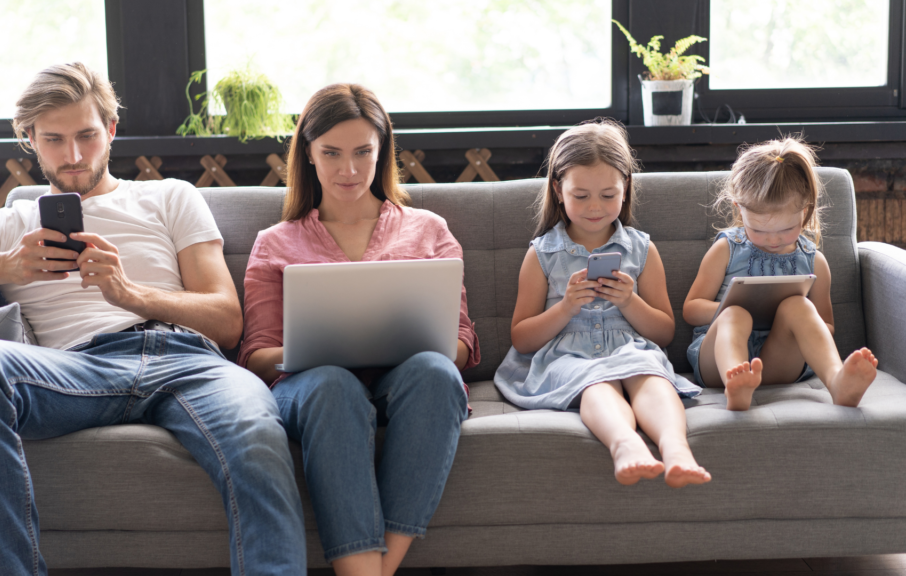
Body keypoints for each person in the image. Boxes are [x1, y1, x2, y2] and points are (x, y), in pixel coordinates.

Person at [0, 63, 305, 576]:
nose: (74, 155)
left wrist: (130, 293)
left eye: (86, 134)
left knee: (258, 435)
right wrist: (7, 264)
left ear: (111, 129)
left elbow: (226, 320)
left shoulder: (170, 196)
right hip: (78, 371)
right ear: (29, 140)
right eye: (54, 140)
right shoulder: (12, 222)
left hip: (188, 361)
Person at [239, 83, 480, 576]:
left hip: (406, 382)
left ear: (382, 150)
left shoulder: (428, 229)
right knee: (331, 382)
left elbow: (462, 343)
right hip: (312, 389)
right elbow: (256, 354)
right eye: (331, 153)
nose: (348, 170)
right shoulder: (274, 242)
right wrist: (310, 351)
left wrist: (427, 344)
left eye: (363, 152)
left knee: (436, 372)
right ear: (307, 153)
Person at [493, 119, 710, 488]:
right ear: (559, 190)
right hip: (567, 359)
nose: (595, 207)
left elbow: (664, 332)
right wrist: (564, 308)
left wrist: (629, 302)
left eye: (608, 195)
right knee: (597, 384)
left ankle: (675, 448)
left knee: (650, 376)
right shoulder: (543, 254)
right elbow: (522, 339)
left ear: (625, 188)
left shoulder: (641, 249)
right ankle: (625, 444)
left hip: (631, 350)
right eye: (581, 196)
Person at [683, 137, 878, 411]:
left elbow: (827, 326)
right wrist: (736, 307)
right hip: (718, 361)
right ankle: (736, 388)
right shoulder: (727, 249)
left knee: (798, 306)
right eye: (759, 230)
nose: (773, 240)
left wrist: (787, 316)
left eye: (786, 229)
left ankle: (837, 382)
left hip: (779, 362)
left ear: (805, 211)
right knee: (735, 314)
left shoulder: (815, 262)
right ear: (740, 210)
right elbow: (691, 309)